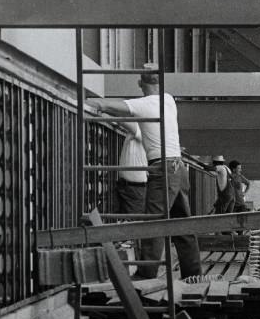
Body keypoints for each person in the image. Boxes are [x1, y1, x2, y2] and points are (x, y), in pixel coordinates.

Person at [86, 68, 201, 279]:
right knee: (182, 224)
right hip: (179, 168)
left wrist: (93, 103)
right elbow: (125, 110)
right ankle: (192, 275)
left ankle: (145, 275)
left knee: (153, 222)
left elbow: (110, 105)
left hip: (163, 169)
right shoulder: (168, 100)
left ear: (140, 83)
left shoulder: (143, 104)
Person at [113, 122, 147, 216]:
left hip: (135, 189)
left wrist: (105, 112)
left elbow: (125, 122)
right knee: (119, 220)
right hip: (124, 185)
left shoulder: (144, 129)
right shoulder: (136, 129)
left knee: (132, 224)